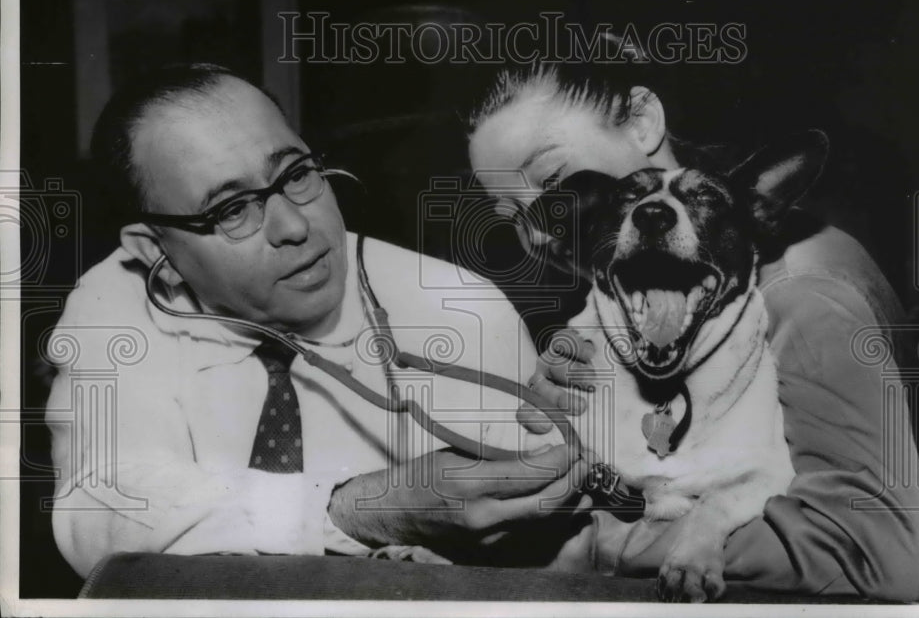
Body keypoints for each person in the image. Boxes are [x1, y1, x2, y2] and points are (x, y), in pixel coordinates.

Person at [45, 63, 588, 579]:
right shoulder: (114, 304)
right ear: (154, 249)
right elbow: (103, 507)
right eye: (231, 210)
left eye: (297, 174)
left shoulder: (461, 306)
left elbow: (549, 551)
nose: (294, 225)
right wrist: (355, 510)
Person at [464, 58, 919, 601]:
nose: (539, 230)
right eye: (509, 214)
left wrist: (595, 543)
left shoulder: (801, 293)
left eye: (553, 181)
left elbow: (876, 554)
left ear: (642, 121)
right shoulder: (643, 288)